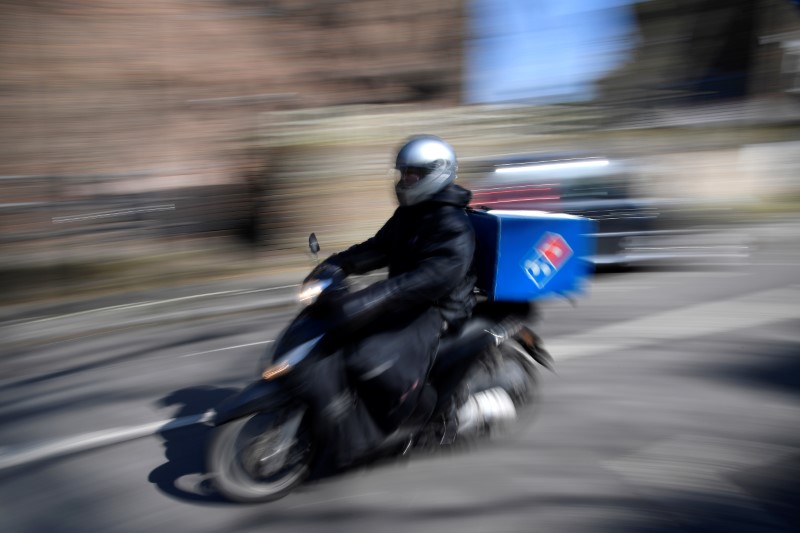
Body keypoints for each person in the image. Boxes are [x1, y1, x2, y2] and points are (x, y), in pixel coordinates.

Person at [295, 135, 477, 470]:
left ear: (435, 174)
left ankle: (403, 420)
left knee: (371, 358)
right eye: (403, 174)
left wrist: (378, 296)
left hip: (439, 310)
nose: (404, 181)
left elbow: (432, 279)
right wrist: (338, 264)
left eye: (412, 175)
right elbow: (378, 248)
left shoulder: (453, 225)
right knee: (337, 335)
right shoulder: (411, 214)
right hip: (408, 299)